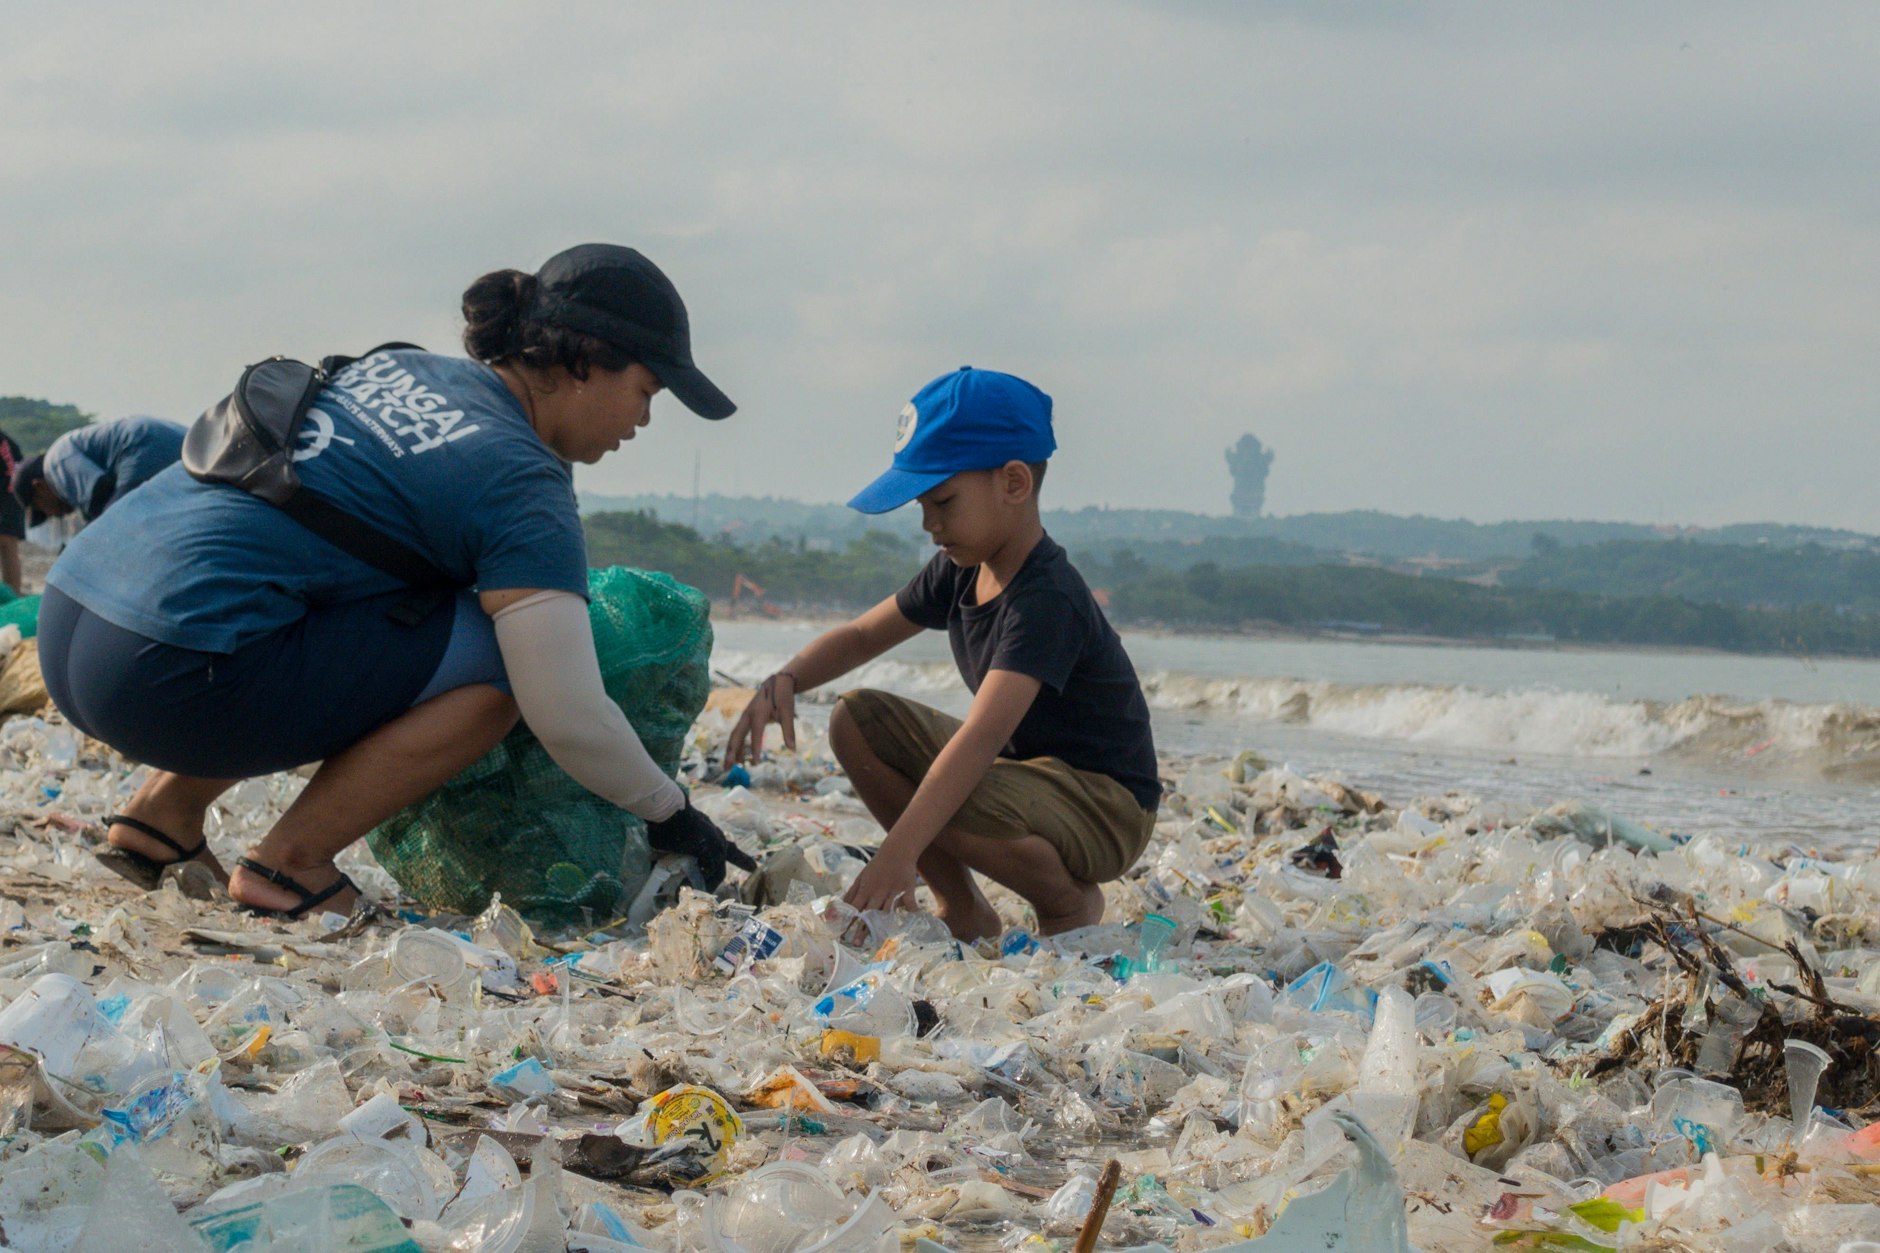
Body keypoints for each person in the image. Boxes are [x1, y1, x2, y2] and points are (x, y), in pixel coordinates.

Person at [38, 243, 753, 917]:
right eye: (647, 390)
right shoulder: (521, 476)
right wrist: (671, 812)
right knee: (504, 660)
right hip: (162, 678)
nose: (644, 420)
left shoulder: (401, 367)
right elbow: (565, 709)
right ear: (586, 361)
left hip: (72, 614)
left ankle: (161, 815)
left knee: (375, 593)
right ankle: (292, 863)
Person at [727, 367, 1161, 940]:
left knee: (951, 782)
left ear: (1013, 483)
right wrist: (785, 678)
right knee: (856, 718)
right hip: (1032, 781)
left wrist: (896, 855)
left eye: (943, 501)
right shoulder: (960, 570)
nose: (930, 523)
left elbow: (981, 736)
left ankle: (1065, 904)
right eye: (921, 507)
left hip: (1107, 809)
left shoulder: (1046, 597)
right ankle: (964, 908)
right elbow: (861, 637)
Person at [9, 415, 186, 527]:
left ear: (39, 486)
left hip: (141, 446)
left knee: (112, 527)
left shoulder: (55, 463)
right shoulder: (66, 451)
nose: (54, 516)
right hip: (185, 443)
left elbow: (100, 490)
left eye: (42, 510)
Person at [0, 428, 25, 593]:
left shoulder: (3, 440)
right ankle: (13, 598)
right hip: (13, 496)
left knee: (7, 544)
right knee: (8, 546)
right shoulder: (5, 439)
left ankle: (12, 599)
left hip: (7, 496)